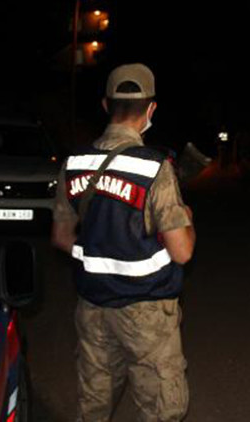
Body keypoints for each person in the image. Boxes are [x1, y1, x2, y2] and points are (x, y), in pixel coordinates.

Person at [51, 63, 196, 422]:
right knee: (161, 410)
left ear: (105, 105)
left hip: (93, 307)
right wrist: (187, 219)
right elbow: (182, 251)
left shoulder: (75, 163)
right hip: (146, 313)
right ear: (151, 110)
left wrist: (97, 256)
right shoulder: (155, 168)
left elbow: (61, 237)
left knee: (94, 405)